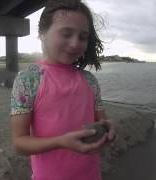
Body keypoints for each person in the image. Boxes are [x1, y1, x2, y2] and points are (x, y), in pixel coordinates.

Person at [10, 0, 117, 179]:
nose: (75, 43)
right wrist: (60, 142)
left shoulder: (89, 80)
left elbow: (102, 122)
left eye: (83, 37)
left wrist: (109, 129)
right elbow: (19, 144)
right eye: (66, 34)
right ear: (42, 34)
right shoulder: (28, 80)